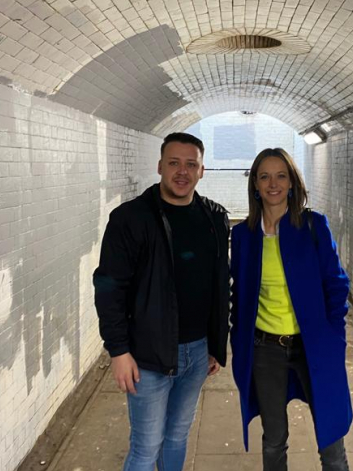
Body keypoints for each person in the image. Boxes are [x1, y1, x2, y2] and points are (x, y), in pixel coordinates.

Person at [93, 132, 230, 471]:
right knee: (146, 446)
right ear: (159, 166)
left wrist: (216, 342)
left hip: (198, 352)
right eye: (173, 163)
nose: (181, 172)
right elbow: (109, 287)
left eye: (190, 164)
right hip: (147, 355)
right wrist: (118, 351)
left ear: (202, 171)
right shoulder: (131, 218)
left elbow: (218, 285)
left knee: (177, 435)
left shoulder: (214, 217)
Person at [230, 148, 352, 471]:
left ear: (292, 183)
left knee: (331, 441)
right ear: (255, 184)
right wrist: (236, 340)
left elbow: (336, 284)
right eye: (265, 176)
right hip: (265, 349)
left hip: (312, 346)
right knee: (273, 440)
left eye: (281, 175)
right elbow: (237, 295)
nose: (273, 184)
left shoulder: (313, 226)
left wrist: (334, 336)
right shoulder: (243, 236)